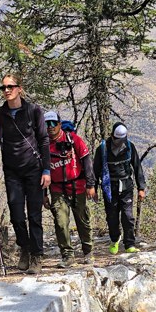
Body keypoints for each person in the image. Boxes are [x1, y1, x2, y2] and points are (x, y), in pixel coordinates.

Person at [0, 74, 50, 274]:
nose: (6, 90)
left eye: (10, 87)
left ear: (19, 88)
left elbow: (44, 141)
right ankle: (25, 247)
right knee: (16, 216)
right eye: (3, 87)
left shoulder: (34, 111)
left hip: (33, 169)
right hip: (12, 170)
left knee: (34, 215)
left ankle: (37, 255)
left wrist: (47, 170)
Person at [45, 111, 97, 266]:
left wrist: (91, 184)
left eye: (53, 123)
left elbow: (86, 162)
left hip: (77, 186)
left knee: (82, 220)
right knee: (61, 222)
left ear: (60, 124)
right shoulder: (43, 145)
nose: (50, 127)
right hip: (56, 188)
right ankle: (68, 256)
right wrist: (43, 194)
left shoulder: (73, 140)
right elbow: (41, 172)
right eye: (47, 124)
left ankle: (88, 252)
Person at [96, 122, 146, 254]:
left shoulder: (129, 147)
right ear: (112, 136)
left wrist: (141, 188)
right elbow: (96, 170)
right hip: (109, 187)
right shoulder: (102, 149)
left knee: (128, 216)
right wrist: (93, 188)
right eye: (117, 139)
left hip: (126, 186)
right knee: (112, 216)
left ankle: (129, 243)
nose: (120, 142)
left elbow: (137, 167)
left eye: (122, 139)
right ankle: (115, 239)